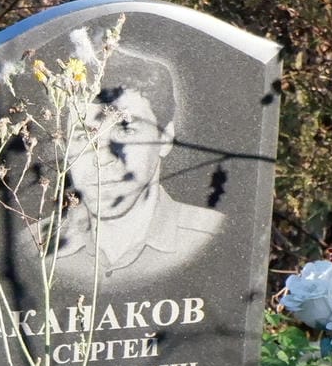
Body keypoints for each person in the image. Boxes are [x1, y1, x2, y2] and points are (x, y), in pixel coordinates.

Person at [46, 47, 224, 283]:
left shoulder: (212, 237)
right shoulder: (32, 247)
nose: (103, 157)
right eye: (83, 136)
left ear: (165, 138)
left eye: (125, 129)